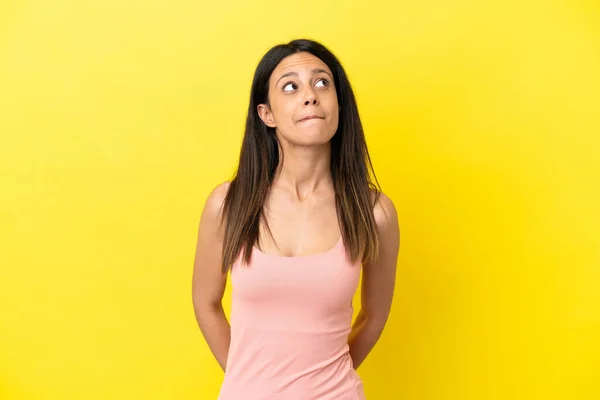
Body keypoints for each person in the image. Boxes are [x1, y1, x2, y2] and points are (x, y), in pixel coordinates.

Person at [192, 38, 400, 399]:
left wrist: (320, 381)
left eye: (322, 82)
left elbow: (374, 316)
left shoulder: (374, 212)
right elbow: (205, 302)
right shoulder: (228, 205)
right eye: (291, 86)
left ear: (339, 104)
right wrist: (248, 379)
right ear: (266, 114)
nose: (310, 95)